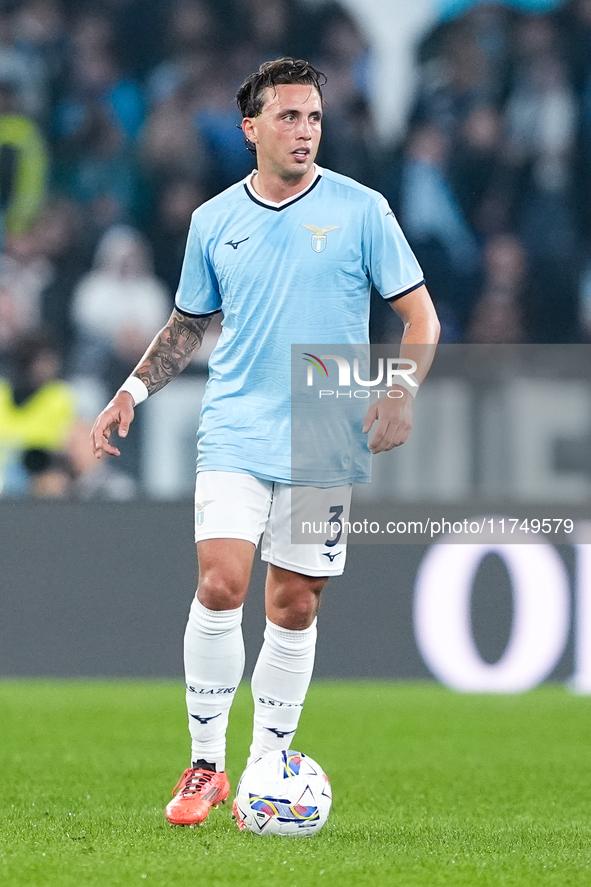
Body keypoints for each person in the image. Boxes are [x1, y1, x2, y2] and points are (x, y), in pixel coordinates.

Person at [91, 57, 440, 828]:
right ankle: (206, 763)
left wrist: (400, 391)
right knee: (222, 582)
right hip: (237, 423)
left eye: (313, 117)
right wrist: (132, 390)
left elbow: (421, 319)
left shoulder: (362, 209)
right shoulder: (214, 221)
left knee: (292, 602)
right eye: (287, 117)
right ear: (251, 129)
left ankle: (266, 764)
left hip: (325, 418)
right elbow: (189, 323)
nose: (305, 130)